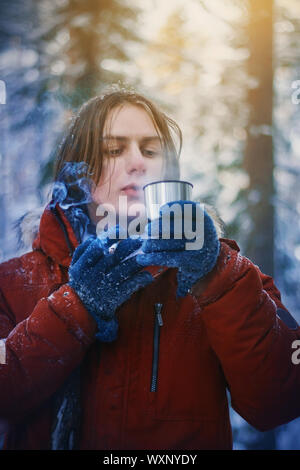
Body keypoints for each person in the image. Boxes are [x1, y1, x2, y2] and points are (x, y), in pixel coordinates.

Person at [0, 86, 300, 451]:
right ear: (77, 170)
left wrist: (215, 272)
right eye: (113, 149)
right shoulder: (13, 281)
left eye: (150, 150)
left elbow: (282, 396)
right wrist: (78, 306)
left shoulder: (220, 273)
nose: (137, 162)